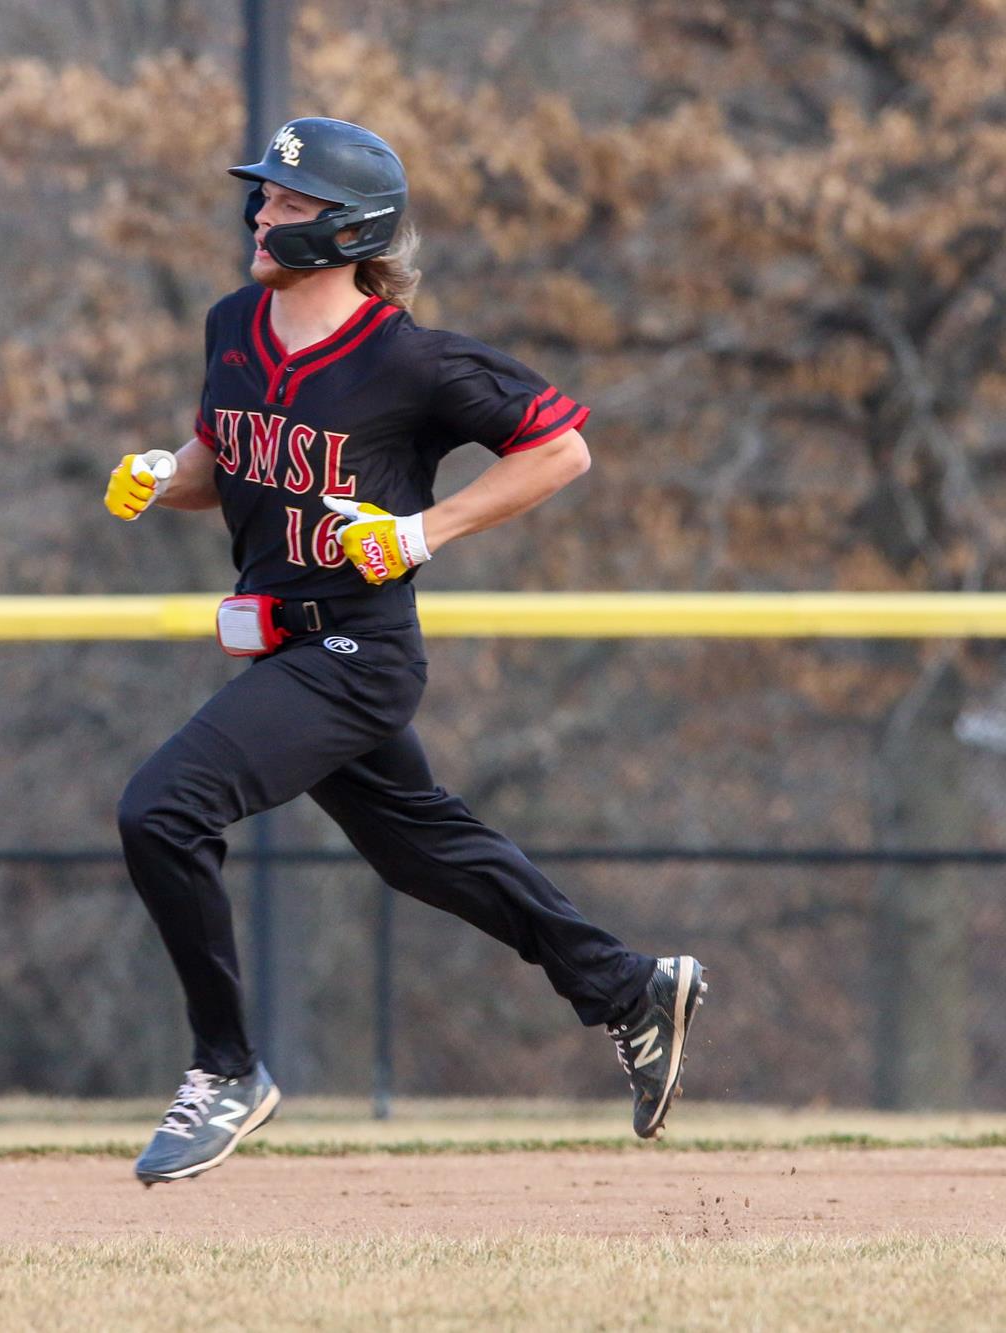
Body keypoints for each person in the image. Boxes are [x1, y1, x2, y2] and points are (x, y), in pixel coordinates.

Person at [104, 117, 706, 1186]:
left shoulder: (407, 357)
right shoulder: (232, 324)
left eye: (289, 203)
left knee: (162, 808)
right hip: (285, 647)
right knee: (422, 849)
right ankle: (627, 987)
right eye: (264, 195)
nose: (261, 214)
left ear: (350, 231)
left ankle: (226, 1067)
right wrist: (163, 475)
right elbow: (219, 460)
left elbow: (560, 449)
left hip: (356, 654)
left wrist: (422, 532)